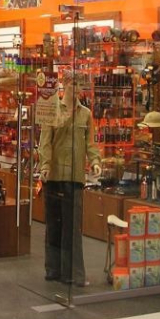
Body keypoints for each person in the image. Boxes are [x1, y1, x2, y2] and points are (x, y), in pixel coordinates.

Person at [38, 73, 101, 287]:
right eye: (73, 83)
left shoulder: (86, 114)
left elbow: (90, 143)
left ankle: (73, 274)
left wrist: (95, 161)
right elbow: (45, 142)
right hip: (54, 175)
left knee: (72, 229)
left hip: (74, 177)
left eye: (80, 85)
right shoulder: (52, 109)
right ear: (64, 84)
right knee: (53, 225)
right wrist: (45, 165)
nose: (77, 88)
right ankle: (53, 269)